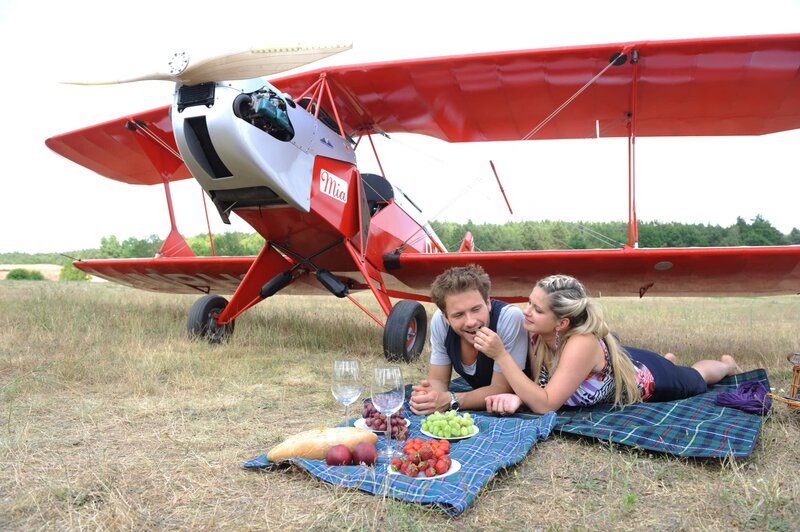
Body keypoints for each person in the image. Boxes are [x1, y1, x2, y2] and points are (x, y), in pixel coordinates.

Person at [475, 274, 742, 414]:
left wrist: (502, 355)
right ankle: (666, 360)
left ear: (561, 323)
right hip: (623, 363)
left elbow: (545, 404)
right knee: (654, 362)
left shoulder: (581, 343)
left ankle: (726, 365)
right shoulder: (537, 335)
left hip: (650, 380)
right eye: (530, 302)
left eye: (538, 309)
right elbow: (538, 387)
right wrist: (520, 398)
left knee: (698, 376)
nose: (527, 311)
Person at [409, 265, 530, 414]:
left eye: (476, 309)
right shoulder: (439, 322)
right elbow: (438, 380)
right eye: (458, 315)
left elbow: (501, 388)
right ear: (445, 317)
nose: (471, 322)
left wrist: (451, 400)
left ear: (488, 303)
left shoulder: (509, 318)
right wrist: (431, 397)